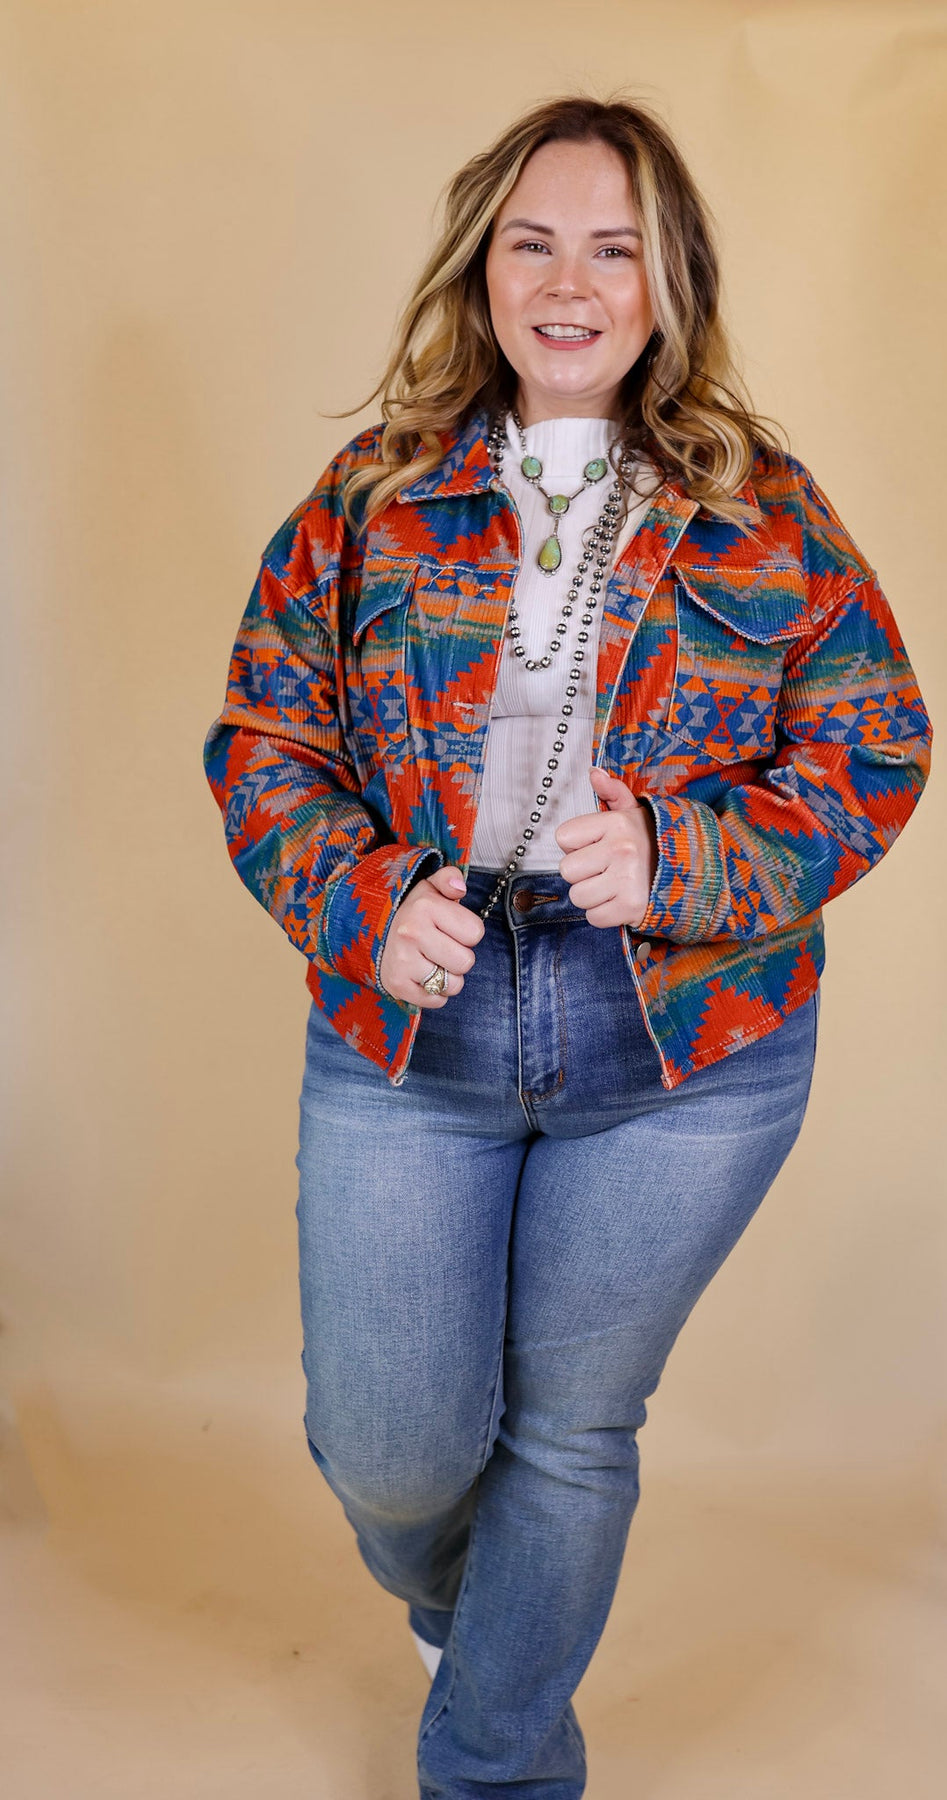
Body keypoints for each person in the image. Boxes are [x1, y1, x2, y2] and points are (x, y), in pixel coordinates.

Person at [203, 95, 932, 1800]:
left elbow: (877, 744)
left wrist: (683, 855)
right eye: (532, 244)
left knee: (570, 1430)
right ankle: (478, 1616)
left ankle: (496, 1763)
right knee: (393, 1452)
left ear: (668, 283)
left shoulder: (762, 510)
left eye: (614, 250)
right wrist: (363, 899)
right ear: (482, 270)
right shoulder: (374, 494)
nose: (569, 284)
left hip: (683, 1042)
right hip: (418, 1021)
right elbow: (266, 735)